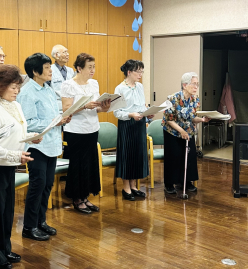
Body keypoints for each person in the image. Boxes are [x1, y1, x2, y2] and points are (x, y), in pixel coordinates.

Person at [0, 65, 38, 269]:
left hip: (9, 165)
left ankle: (5, 249)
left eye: (18, 87)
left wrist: (32, 137)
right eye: (13, 87)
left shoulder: (15, 105)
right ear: (1, 86)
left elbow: (17, 133)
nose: (16, 91)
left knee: (6, 212)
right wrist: (14, 155)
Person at [17, 53, 71, 241]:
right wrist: (54, 121)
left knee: (47, 185)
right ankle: (29, 226)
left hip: (51, 144)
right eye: (47, 67)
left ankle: (41, 221)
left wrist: (62, 118)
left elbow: (53, 115)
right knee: (37, 185)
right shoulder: (27, 92)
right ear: (35, 71)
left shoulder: (48, 89)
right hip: (37, 146)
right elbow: (28, 123)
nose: (51, 71)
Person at [61, 53, 110, 213]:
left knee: (89, 164)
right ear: (79, 68)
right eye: (89, 67)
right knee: (78, 164)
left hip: (92, 128)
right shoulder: (68, 85)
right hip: (75, 130)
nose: (92, 70)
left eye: (94, 67)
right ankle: (77, 198)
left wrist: (104, 107)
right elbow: (66, 110)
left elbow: (97, 108)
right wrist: (84, 106)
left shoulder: (94, 84)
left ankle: (86, 196)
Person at [162, 73, 209, 195]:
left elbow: (193, 118)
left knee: (189, 156)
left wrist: (202, 119)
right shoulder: (173, 98)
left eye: (197, 84)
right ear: (184, 85)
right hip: (172, 132)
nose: (196, 87)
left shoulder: (195, 99)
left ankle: (186, 181)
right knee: (174, 157)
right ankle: (169, 184)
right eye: (194, 84)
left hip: (188, 131)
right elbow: (169, 119)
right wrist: (181, 131)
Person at [114, 59, 152, 201]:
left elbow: (142, 105)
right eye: (138, 71)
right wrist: (130, 114)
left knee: (138, 155)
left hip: (140, 123)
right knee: (127, 155)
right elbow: (117, 112)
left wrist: (148, 112)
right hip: (127, 124)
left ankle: (134, 186)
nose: (141, 74)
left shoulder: (140, 86)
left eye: (142, 71)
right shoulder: (120, 89)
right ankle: (126, 188)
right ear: (129, 72)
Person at [49, 45, 74, 111]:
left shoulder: (70, 70)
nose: (67, 54)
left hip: (70, 107)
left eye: (67, 52)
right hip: (56, 107)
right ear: (56, 55)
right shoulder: (50, 70)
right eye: (64, 52)